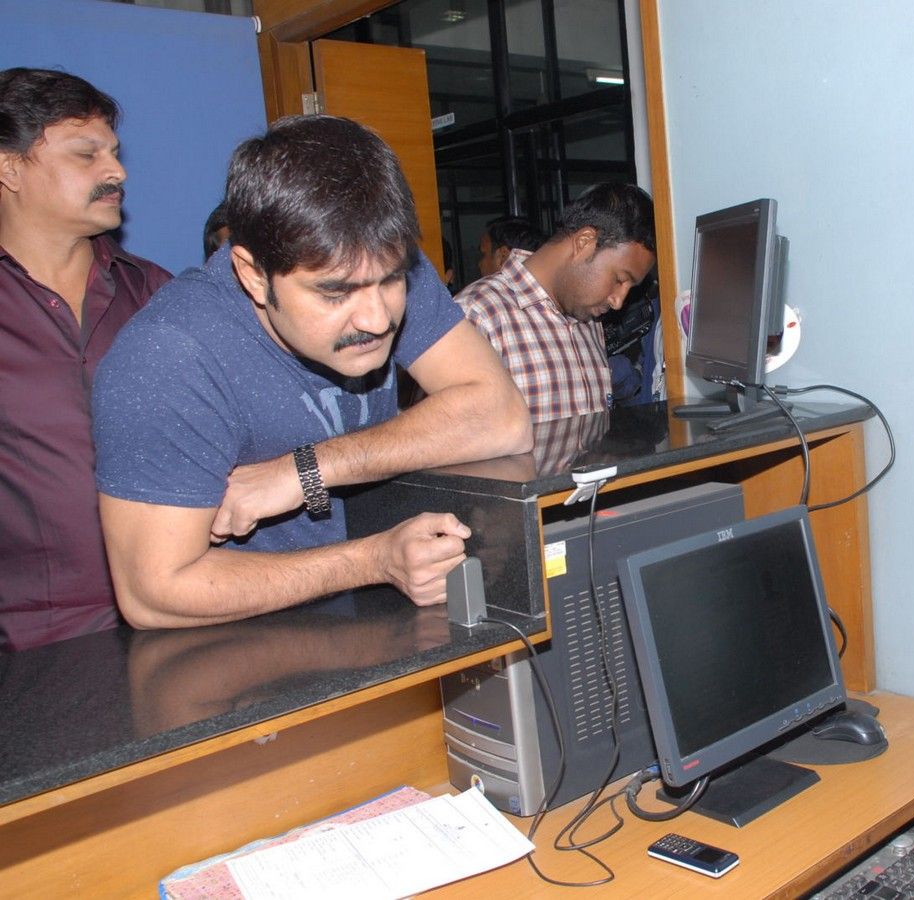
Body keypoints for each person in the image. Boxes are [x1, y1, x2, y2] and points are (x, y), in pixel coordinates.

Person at [92, 115, 532, 629]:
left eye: (390, 280)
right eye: (334, 293)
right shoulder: (166, 358)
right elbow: (154, 594)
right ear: (253, 275)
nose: (378, 318)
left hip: (389, 623)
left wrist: (303, 472)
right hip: (246, 658)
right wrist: (373, 561)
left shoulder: (378, 263)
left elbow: (502, 416)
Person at [0, 68, 173, 651]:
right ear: (9, 168)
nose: (116, 171)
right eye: (86, 154)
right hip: (30, 645)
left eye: (115, 153)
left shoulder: (155, 295)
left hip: (177, 615)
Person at [456, 183, 656, 423]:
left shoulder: (587, 316)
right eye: (619, 279)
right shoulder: (476, 315)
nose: (618, 302)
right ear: (584, 242)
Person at [476, 214, 544, 279]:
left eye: (483, 254)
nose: (479, 264)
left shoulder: (483, 290)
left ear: (503, 255)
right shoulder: (549, 285)